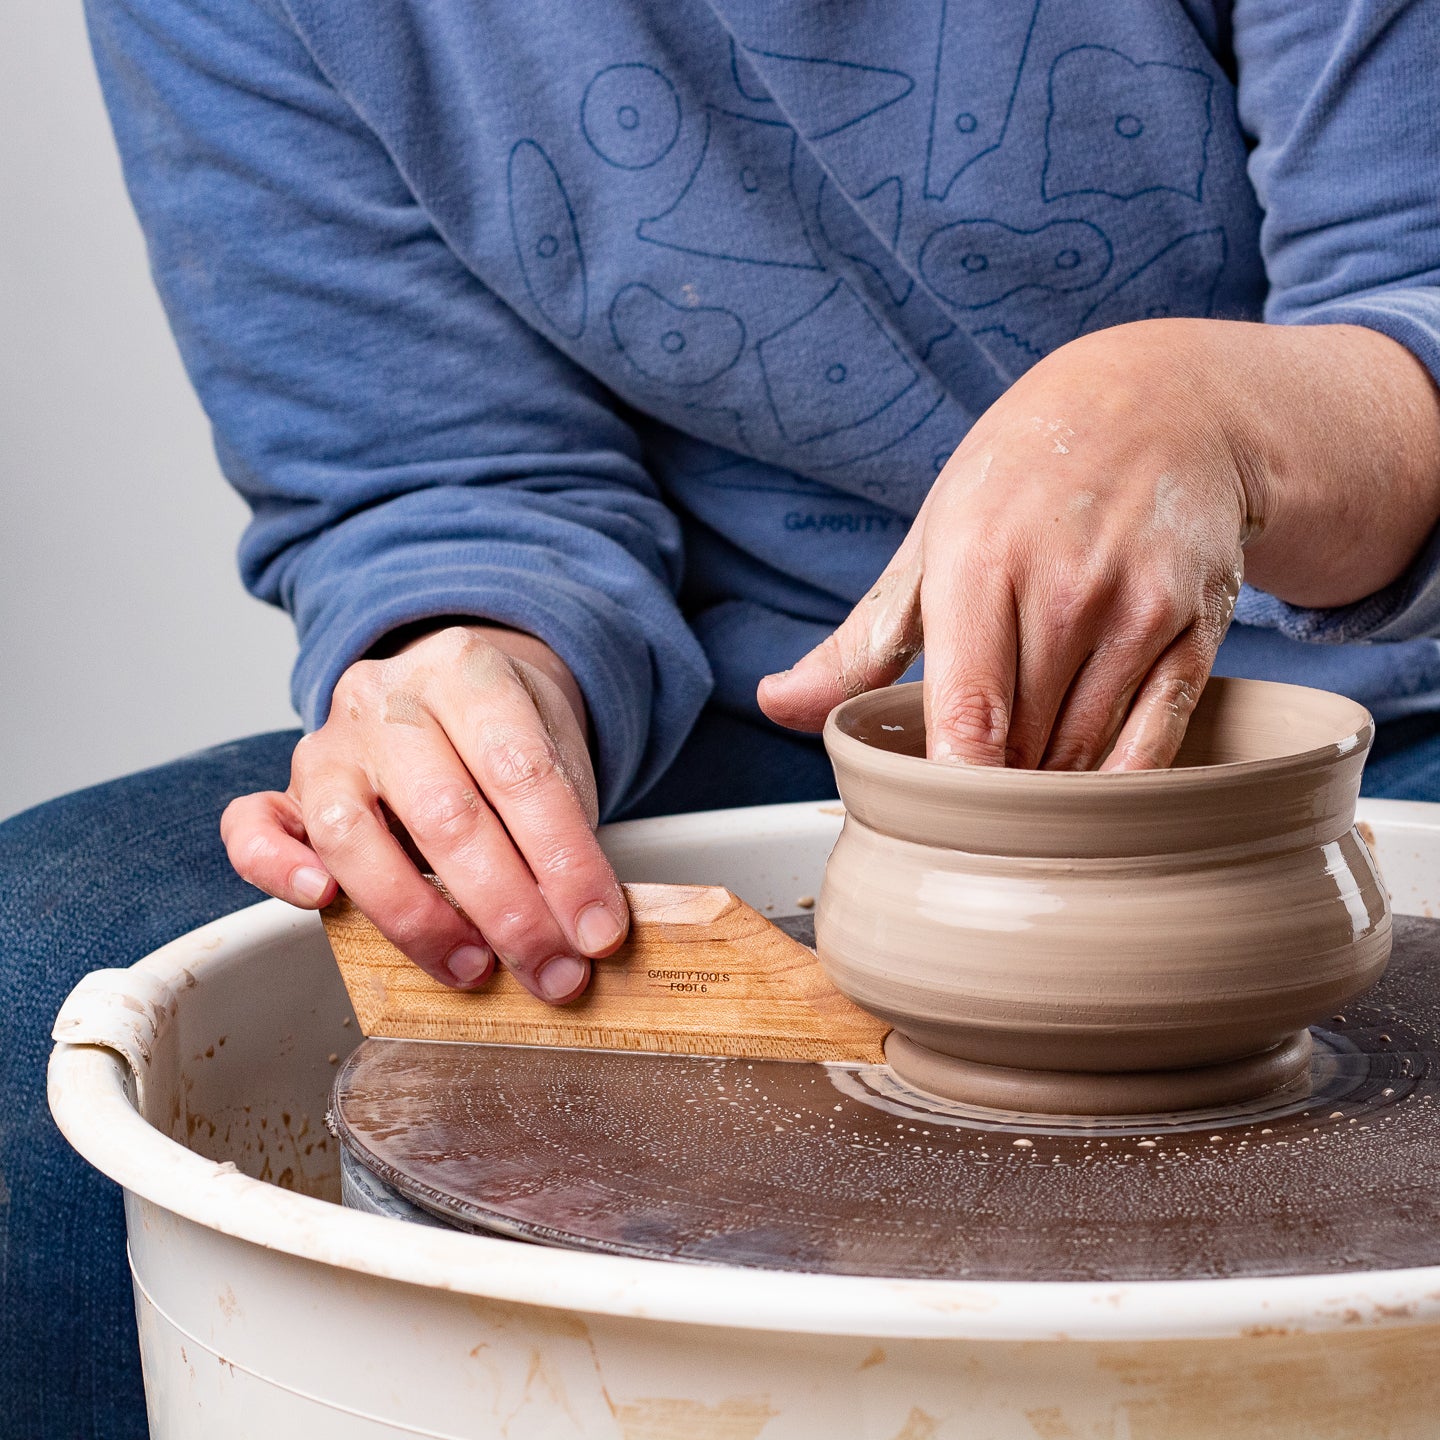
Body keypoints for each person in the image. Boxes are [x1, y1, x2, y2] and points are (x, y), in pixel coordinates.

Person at [6, 2, 1440, 1433]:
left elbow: (1416, 283)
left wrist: (1210, 413)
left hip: (1367, 694)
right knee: (34, 981)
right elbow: (447, 469)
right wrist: (474, 670)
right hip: (763, 699)